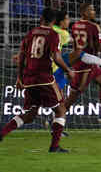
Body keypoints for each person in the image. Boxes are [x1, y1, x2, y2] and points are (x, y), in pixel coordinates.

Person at [0, 8, 75, 153]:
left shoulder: (31, 33)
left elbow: (21, 57)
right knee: (60, 110)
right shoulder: (53, 34)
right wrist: (68, 70)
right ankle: (54, 147)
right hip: (45, 79)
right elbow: (56, 57)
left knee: (30, 113)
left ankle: (2, 133)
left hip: (29, 78)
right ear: (54, 22)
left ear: (41, 18)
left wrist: (19, 78)